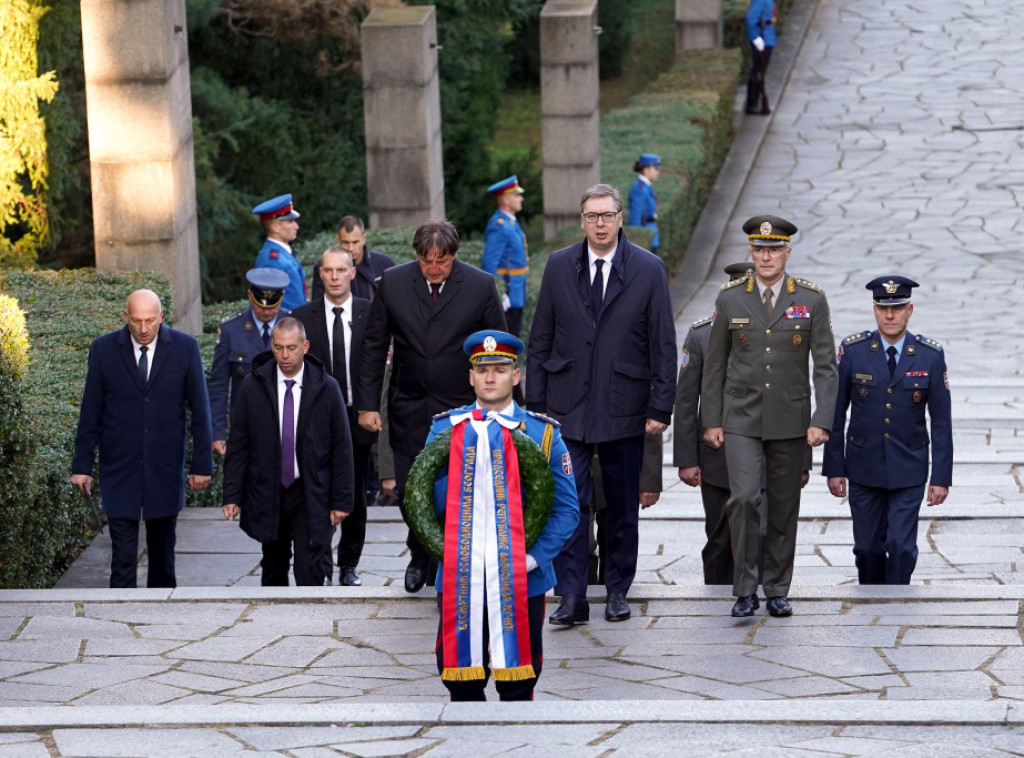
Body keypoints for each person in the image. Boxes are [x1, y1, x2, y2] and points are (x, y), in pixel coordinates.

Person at [527, 183, 677, 626]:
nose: (599, 224)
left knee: (621, 505)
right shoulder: (559, 265)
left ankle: (617, 590)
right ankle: (571, 594)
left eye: (607, 216)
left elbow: (663, 344)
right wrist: (535, 406)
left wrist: (660, 406)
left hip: (624, 405)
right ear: (582, 220)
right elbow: (540, 339)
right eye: (592, 216)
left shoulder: (648, 270)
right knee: (569, 506)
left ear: (619, 219)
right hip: (565, 405)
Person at [355, 219, 506, 593]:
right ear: (417, 256)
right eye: (427, 260)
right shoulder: (392, 283)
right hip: (408, 405)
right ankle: (420, 550)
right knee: (408, 490)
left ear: (454, 256)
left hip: (462, 409)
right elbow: (374, 346)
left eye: (442, 260)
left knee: (456, 490)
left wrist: (502, 405)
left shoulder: (480, 285)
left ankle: (442, 555)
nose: (434, 268)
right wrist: (367, 405)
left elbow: (501, 349)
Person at [427, 330, 578, 701]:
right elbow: (426, 501)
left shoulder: (543, 435)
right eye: (483, 370)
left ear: (516, 375)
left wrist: (532, 558)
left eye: (500, 368)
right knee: (460, 679)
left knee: (519, 682)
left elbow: (566, 510)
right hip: (461, 574)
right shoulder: (446, 430)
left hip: (522, 576)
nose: (490, 377)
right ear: (471, 377)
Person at [701, 215, 837, 618]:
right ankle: (744, 589)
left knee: (783, 504)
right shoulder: (730, 298)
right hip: (740, 417)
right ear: (750, 252)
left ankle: (777, 586)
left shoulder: (811, 299)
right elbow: (714, 365)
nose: (766, 256)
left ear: (787, 253)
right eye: (759, 249)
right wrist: (712, 420)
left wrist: (822, 418)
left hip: (791, 419)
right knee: (743, 499)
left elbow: (826, 366)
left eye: (774, 249)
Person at [71, 289, 213, 588]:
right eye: (137, 321)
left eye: (150, 320)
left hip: (164, 467)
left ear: (162, 316)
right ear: (126, 317)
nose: (144, 328)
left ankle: (161, 624)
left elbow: (200, 411)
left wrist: (202, 465)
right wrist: (81, 465)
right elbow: (90, 412)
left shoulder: (185, 349)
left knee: (163, 557)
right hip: (119, 468)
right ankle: (120, 619)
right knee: (122, 558)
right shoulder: (104, 350)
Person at [822, 276, 952, 584]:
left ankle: (895, 603)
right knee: (866, 549)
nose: (889, 315)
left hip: (909, 467)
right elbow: (836, 413)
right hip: (864, 467)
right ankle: (872, 601)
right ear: (874, 310)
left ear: (910, 310)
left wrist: (941, 478)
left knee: (902, 547)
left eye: (897, 308)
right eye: (883, 308)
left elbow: (942, 422)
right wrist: (834, 468)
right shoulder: (852, 352)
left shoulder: (930, 355)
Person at [222, 317, 353, 586]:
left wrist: (341, 500)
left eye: (291, 348)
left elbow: (341, 446)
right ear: (272, 345)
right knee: (272, 564)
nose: (285, 355)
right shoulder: (253, 386)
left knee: (311, 566)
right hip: (268, 489)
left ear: (305, 346)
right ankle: (274, 625)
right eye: (279, 347)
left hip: (310, 490)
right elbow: (239, 444)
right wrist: (232, 494)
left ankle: (311, 624)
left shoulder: (327, 388)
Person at [292, 247, 373, 586]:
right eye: (329, 270)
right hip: (314, 419)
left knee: (353, 492)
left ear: (353, 272)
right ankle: (320, 561)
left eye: (342, 270)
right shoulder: (303, 316)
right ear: (321, 275)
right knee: (315, 488)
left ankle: (349, 564)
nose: (336, 276)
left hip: (358, 416)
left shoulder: (371, 313)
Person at [674, 262, 751, 585]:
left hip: (767, 452)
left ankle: (763, 596)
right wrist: (687, 460)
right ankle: (718, 599)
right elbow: (687, 401)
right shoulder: (702, 334)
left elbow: (795, 396)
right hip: (717, 458)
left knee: (762, 536)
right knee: (720, 539)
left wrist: (801, 460)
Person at [209, 268, 290, 456]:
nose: (266, 311)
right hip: (245, 426)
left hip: (287, 424)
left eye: (272, 306)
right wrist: (218, 433)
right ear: (249, 296)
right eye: (260, 305)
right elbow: (219, 386)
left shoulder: (293, 325)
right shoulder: (231, 330)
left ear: (282, 296)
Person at [481, 175, 529, 336]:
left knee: (513, 337)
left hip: (516, 291)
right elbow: (489, 263)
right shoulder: (499, 226)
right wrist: (498, 292)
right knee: (506, 342)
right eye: (517, 195)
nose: (521, 198)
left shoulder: (510, 222)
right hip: (507, 293)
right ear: (506, 200)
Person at [311, 216, 396, 303]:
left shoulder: (384, 264)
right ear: (338, 240)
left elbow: (394, 301)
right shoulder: (324, 266)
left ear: (364, 239)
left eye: (355, 242)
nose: (350, 248)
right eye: (345, 242)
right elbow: (318, 306)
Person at [253, 193, 305, 311]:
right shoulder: (273, 261)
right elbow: (268, 306)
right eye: (291, 222)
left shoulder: (282, 253)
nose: (296, 227)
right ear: (275, 227)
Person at [746, 0, 777, 115]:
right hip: (762, 38)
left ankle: (756, 101)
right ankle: (752, 104)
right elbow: (751, 19)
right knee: (757, 71)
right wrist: (755, 38)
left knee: (761, 71)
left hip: (768, 37)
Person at [627, 153, 661, 255]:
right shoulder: (639, 189)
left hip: (651, 236)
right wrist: (636, 242)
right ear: (646, 169)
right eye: (655, 168)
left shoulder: (646, 187)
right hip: (645, 240)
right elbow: (635, 218)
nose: (658, 171)